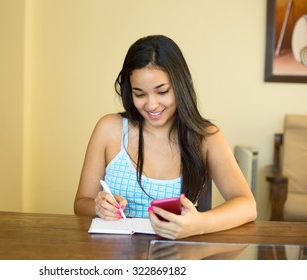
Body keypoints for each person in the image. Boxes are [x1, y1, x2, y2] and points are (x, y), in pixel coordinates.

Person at [74, 35, 257, 240]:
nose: (151, 105)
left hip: (177, 257)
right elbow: (81, 204)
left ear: (180, 86)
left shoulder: (206, 137)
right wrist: (99, 206)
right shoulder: (109, 129)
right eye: (140, 94)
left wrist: (199, 224)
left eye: (162, 92)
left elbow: (247, 205)